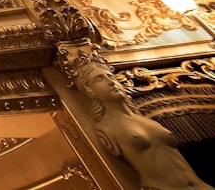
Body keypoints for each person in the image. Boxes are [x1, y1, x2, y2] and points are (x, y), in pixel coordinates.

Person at [77, 62, 214, 190]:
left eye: (110, 76)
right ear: (89, 91)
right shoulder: (106, 127)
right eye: (99, 79)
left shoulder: (146, 120)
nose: (111, 82)